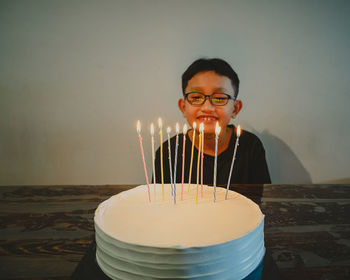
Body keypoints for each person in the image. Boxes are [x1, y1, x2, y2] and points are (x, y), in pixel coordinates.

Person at [155, 58, 271, 185]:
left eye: (219, 98)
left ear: (235, 109)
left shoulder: (250, 147)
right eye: (196, 97)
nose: (207, 108)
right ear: (183, 107)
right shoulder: (169, 151)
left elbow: (261, 200)